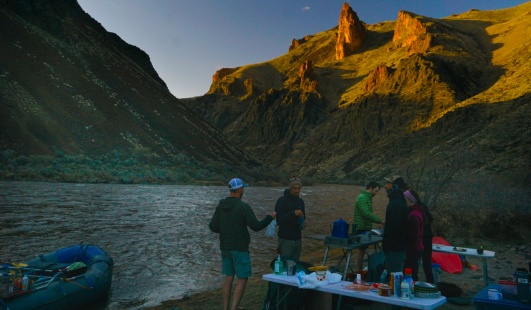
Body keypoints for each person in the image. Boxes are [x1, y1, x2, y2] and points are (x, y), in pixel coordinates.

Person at [209, 177, 276, 310]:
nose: (244, 189)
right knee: (242, 278)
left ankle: (225, 308)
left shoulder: (221, 206)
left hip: (225, 247)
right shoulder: (243, 207)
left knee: (229, 277)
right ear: (239, 189)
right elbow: (256, 226)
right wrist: (270, 217)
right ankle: (234, 308)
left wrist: (225, 228)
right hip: (239, 248)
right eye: (243, 188)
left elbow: (213, 227)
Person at [354, 181, 385, 272]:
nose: (376, 193)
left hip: (365, 227)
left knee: (363, 250)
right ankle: (359, 271)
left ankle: (363, 271)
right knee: (362, 250)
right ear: (370, 188)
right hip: (361, 227)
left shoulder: (367, 198)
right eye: (376, 191)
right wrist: (381, 221)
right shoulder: (362, 198)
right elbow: (365, 213)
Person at [382, 176, 409, 275]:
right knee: (395, 276)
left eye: (388, 184)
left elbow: (394, 228)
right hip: (398, 246)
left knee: (394, 278)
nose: (385, 186)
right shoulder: (399, 201)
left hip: (394, 248)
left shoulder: (395, 204)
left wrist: (386, 245)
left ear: (395, 186)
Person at [275, 176, 306, 261]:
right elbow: (279, 220)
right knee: (284, 266)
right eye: (294, 188)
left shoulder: (300, 202)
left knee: (296, 265)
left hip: (297, 239)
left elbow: (303, 218)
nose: (297, 191)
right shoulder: (281, 201)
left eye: (299, 188)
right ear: (290, 188)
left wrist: (303, 223)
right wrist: (293, 213)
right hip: (285, 239)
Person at [403, 189, 424, 281]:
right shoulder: (417, 212)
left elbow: (414, 234)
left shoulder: (414, 215)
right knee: (412, 270)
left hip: (414, 248)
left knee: (410, 271)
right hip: (416, 246)